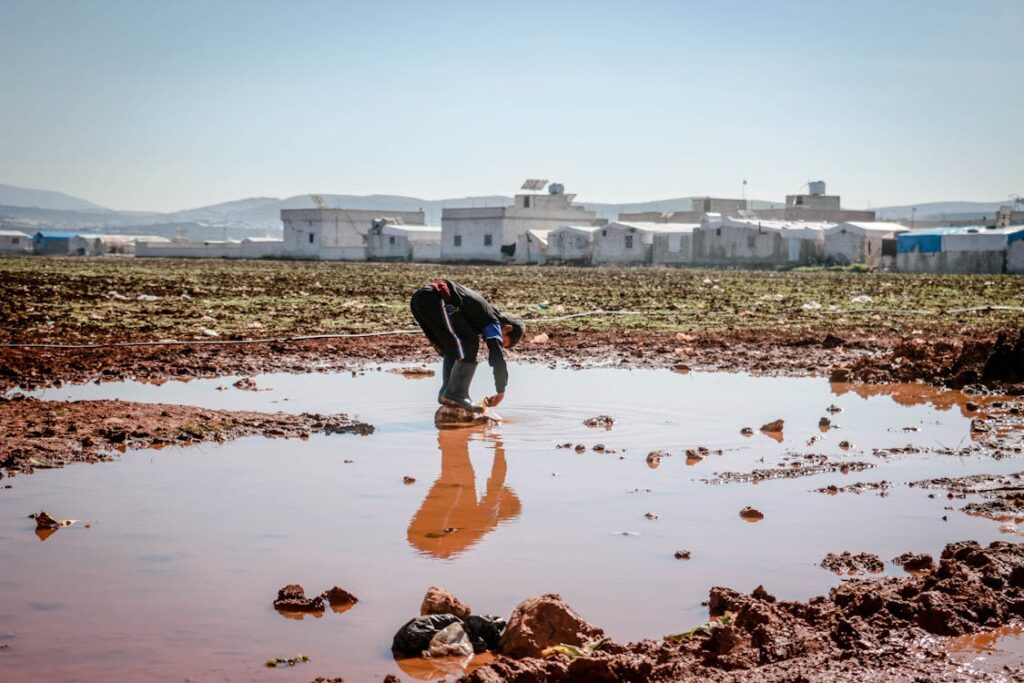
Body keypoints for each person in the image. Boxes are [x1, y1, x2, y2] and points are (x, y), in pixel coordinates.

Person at [410, 279, 524, 411]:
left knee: (453, 346)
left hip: (420, 300)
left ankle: (446, 393)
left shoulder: (480, 318)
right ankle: (456, 394)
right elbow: (496, 356)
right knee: (470, 342)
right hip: (434, 298)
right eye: (502, 341)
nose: (498, 343)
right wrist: (501, 391)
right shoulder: (493, 322)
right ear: (507, 329)